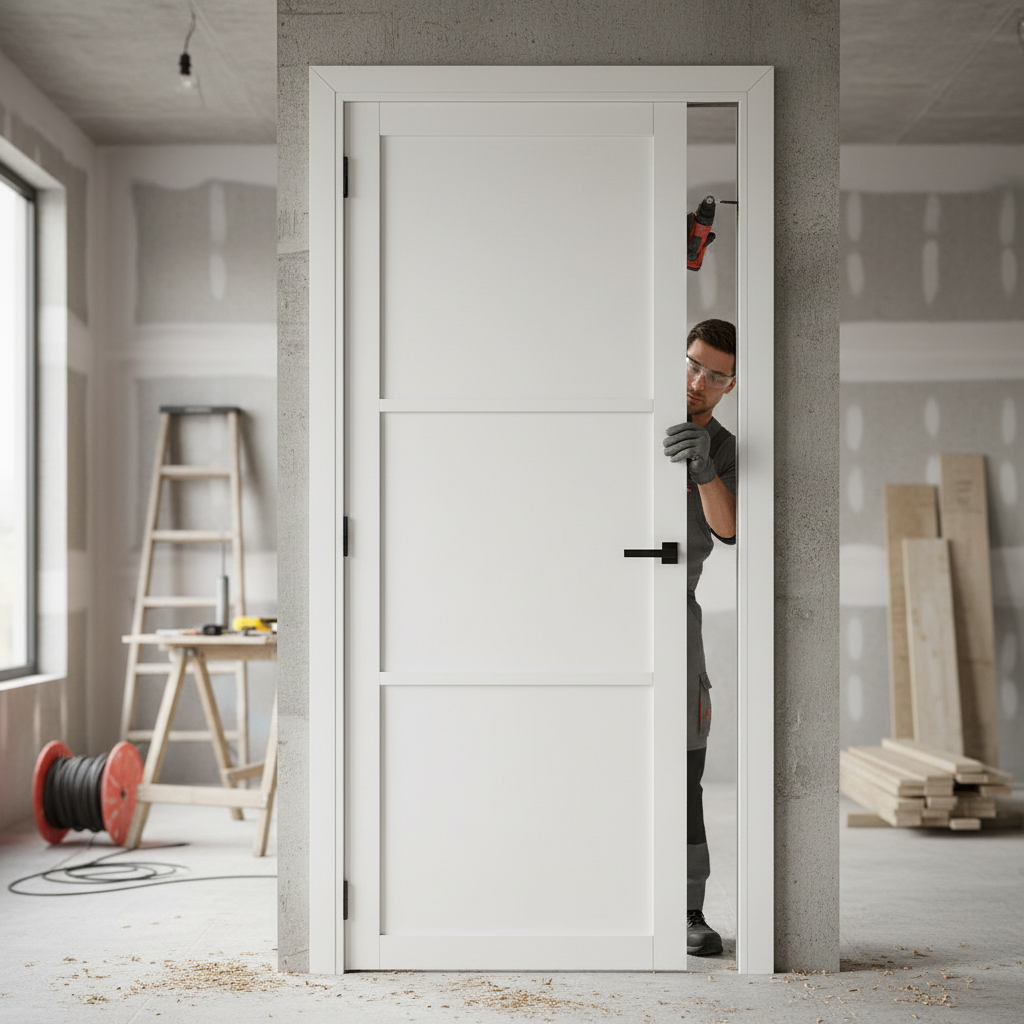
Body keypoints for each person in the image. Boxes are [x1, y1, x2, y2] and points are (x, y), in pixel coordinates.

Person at [662, 318, 737, 958]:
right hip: (606, 608)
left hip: (675, 612)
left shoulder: (727, 446)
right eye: (693, 364)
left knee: (686, 764)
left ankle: (690, 908)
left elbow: (731, 530)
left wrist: (705, 467)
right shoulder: (641, 416)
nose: (698, 382)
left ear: (730, 385)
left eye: (714, 375)